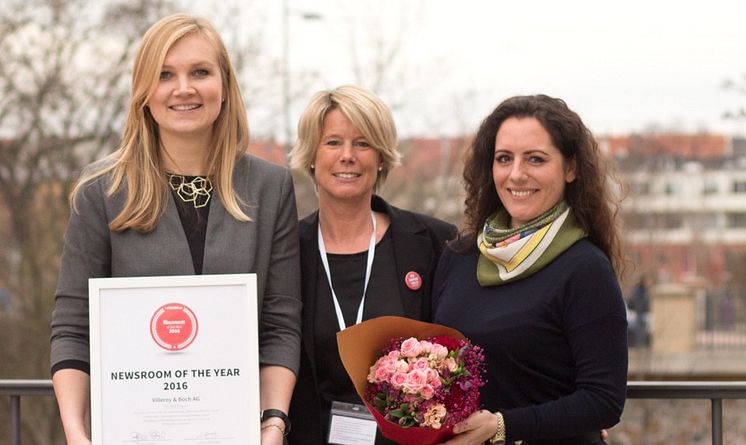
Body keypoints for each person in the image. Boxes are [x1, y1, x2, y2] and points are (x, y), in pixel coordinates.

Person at [49, 14, 301, 445]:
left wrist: (272, 423)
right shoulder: (101, 192)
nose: (183, 88)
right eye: (165, 75)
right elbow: (74, 327)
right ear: (144, 92)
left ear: (224, 85)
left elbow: (280, 323)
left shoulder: (270, 186)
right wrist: (76, 431)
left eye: (200, 72)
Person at [433, 94, 628, 445]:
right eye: (504, 158)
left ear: (571, 168)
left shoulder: (585, 269)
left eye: (535, 159)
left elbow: (603, 401)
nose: (516, 174)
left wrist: (502, 426)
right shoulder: (459, 257)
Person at [286, 85, 456, 444]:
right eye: (333, 142)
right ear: (311, 156)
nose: (347, 156)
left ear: (381, 157)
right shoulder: (285, 250)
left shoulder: (432, 242)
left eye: (362, 143)